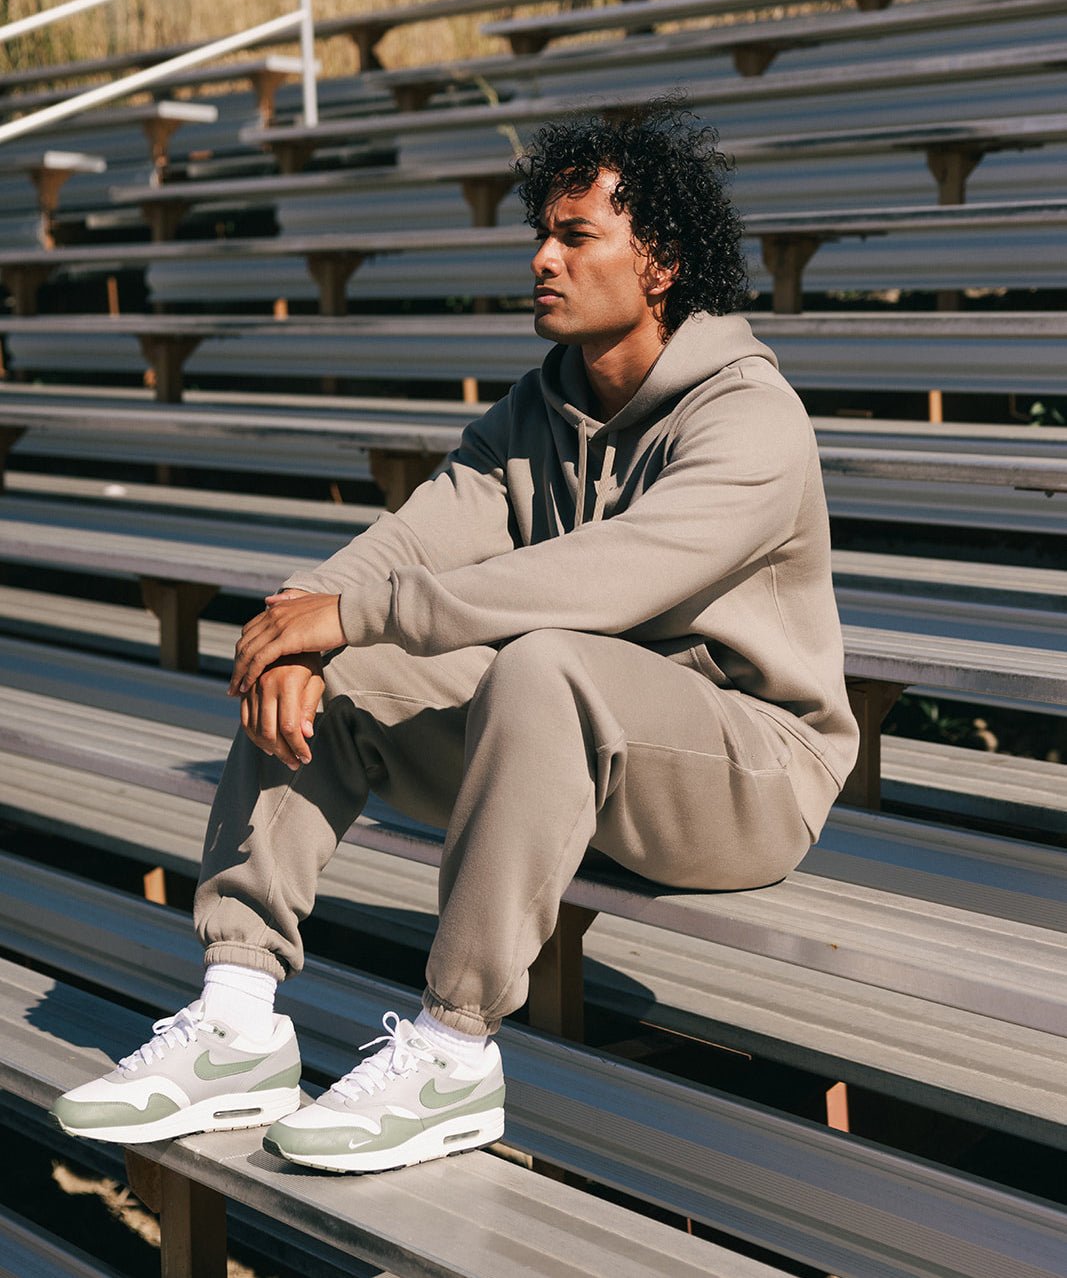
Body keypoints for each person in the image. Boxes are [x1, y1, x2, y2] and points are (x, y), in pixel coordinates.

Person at [52, 99, 858, 1173]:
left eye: (575, 238)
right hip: (568, 753)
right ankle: (238, 1013)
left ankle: (453, 1049)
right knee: (339, 674)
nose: (542, 259)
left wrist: (353, 617)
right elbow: (406, 544)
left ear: (656, 260)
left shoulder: (747, 418)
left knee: (542, 658)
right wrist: (301, 627)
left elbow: (603, 580)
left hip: (745, 775)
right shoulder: (533, 414)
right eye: (542, 233)